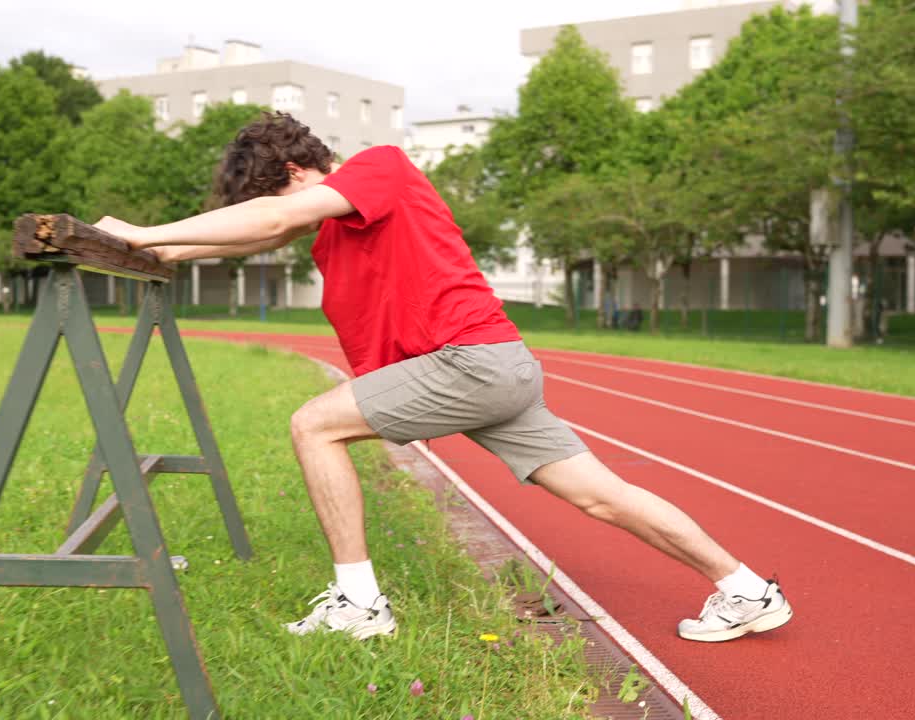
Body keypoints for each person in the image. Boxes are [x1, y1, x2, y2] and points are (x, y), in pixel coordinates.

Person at [94, 112, 791, 643]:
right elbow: (260, 232)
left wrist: (143, 231)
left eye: (280, 191)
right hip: (493, 366)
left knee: (313, 426)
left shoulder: (379, 167)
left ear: (301, 170)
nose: (283, 207)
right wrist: (152, 248)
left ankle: (360, 602)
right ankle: (746, 587)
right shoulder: (332, 224)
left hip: (467, 362)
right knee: (603, 497)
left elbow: (275, 216)